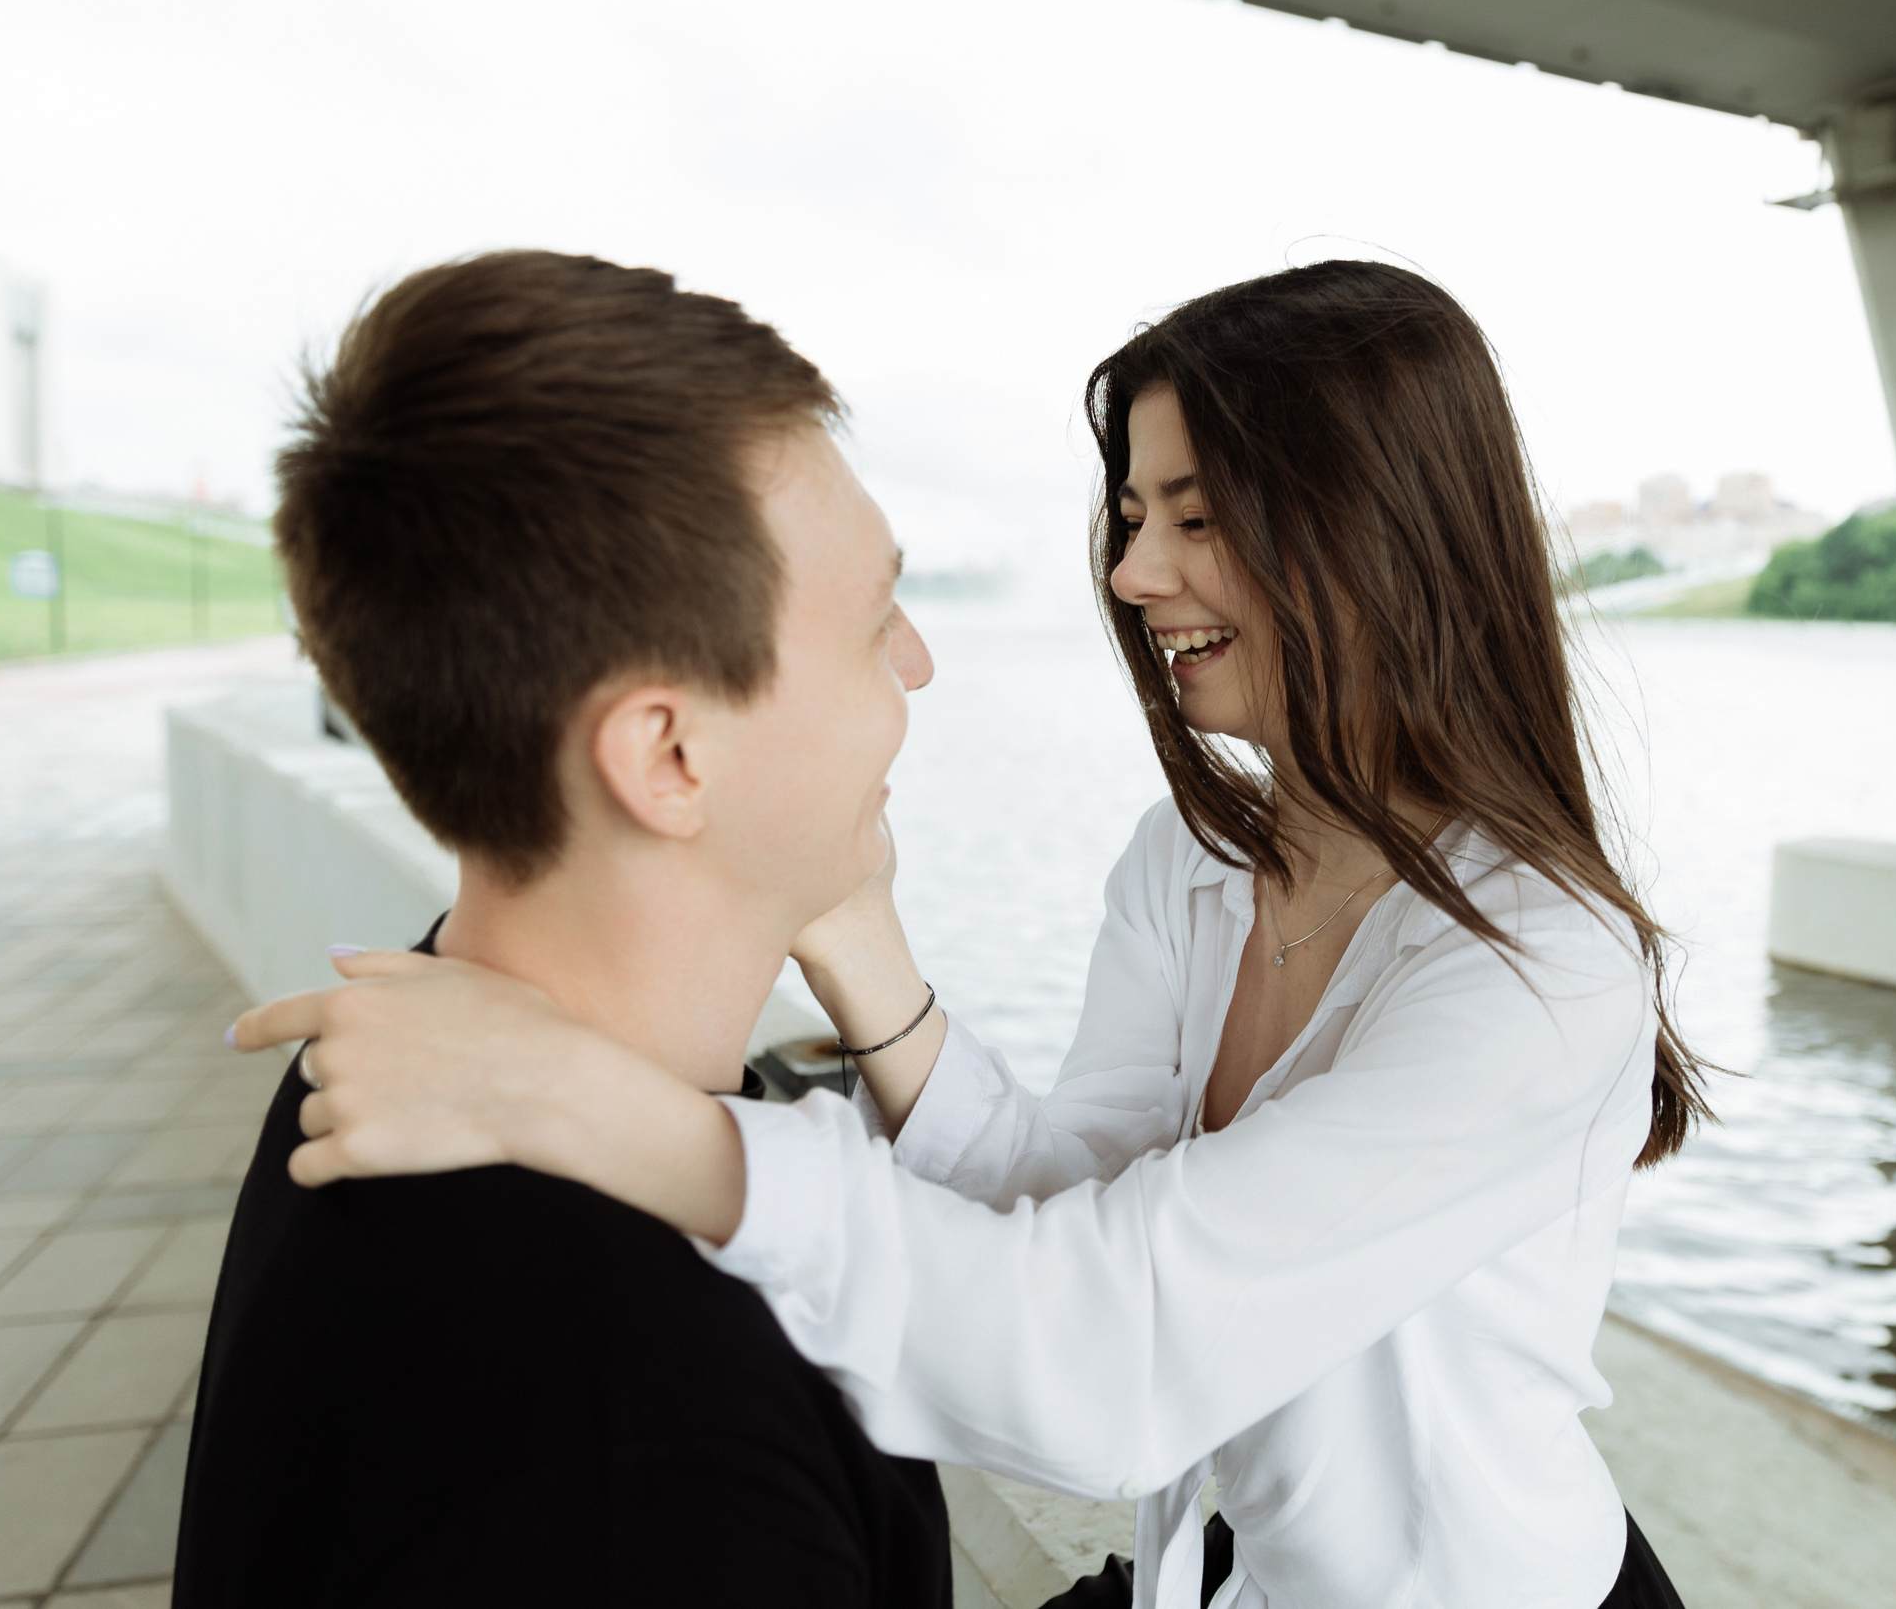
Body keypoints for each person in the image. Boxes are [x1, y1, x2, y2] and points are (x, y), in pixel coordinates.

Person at [234, 260, 1708, 1609]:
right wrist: (852, 935)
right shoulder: (1192, 862)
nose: (1133, 576)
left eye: (1196, 519)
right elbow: (1080, 1213)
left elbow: (1116, 1349)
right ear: (669, 757)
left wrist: (605, 1105)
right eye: (1135, 518)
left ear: (1380, 537)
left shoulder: (1539, 962)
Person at [175, 251, 951, 1609]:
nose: (916, 666)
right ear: (668, 756)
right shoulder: (645, 1448)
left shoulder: (395, 1058)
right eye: (874, 618)